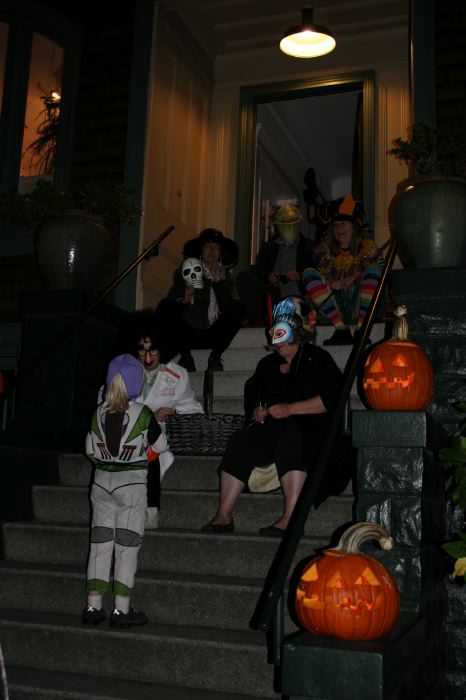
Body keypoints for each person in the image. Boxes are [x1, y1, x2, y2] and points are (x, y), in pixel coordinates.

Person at [201, 297, 346, 537]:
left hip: (308, 427)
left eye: (281, 334)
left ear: (296, 333)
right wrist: (256, 412)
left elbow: (333, 400)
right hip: (271, 427)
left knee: (292, 438)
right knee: (241, 440)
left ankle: (291, 517)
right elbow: (254, 395)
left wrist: (290, 409)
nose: (275, 341)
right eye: (273, 334)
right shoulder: (267, 365)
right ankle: (224, 514)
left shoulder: (318, 358)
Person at [82, 354, 169, 628]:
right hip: (130, 486)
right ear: (137, 383)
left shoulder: (97, 412)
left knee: (99, 545)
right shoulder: (143, 413)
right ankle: (121, 610)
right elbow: (162, 446)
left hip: (100, 485)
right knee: (126, 548)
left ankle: (93, 606)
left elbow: (89, 450)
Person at [114, 309, 203, 527]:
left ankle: (147, 510)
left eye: (153, 351)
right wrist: (147, 417)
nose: (147, 358)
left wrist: (175, 415)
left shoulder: (178, 374)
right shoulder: (121, 369)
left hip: (157, 438)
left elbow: (191, 409)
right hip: (124, 433)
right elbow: (108, 408)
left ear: (163, 347)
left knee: (153, 452)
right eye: (141, 351)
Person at [157, 228, 245, 372]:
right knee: (165, 306)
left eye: (216, 247)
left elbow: (230, 309)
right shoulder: (187, 270)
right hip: (188, 333)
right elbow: (173, 300)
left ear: (221, 254)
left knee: (238, 308)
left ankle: (215, 358)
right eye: (207, 246)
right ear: (200, 251)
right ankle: (186, 358)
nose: (211, 250)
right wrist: (183, 298)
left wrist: (218, 284)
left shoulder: (227, 278)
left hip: (215, 334)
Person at [302, 195, 384, 345]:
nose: (338, 228)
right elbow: (319, 278)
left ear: (354, 226)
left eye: (343, 223)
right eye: (335, 225)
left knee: (374, 270)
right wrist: (330, 281)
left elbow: (381, 275)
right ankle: (341, 330)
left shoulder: (368, 248)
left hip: (360, 306)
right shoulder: (324, 252)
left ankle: (361, 330)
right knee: (308, 273)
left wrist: (358, 276)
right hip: (334, 308)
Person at [236, 203, 315, 326]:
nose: (288, 228)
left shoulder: (310, 247)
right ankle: (259, 318)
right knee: (244, 277)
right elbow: (258, 270)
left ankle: (269, 316)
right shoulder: (269, 247)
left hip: (301, 295)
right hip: (274, 294)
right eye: (284, 224)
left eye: (291, 223)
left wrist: (301, 275)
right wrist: (268, 276)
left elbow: (317, 272)